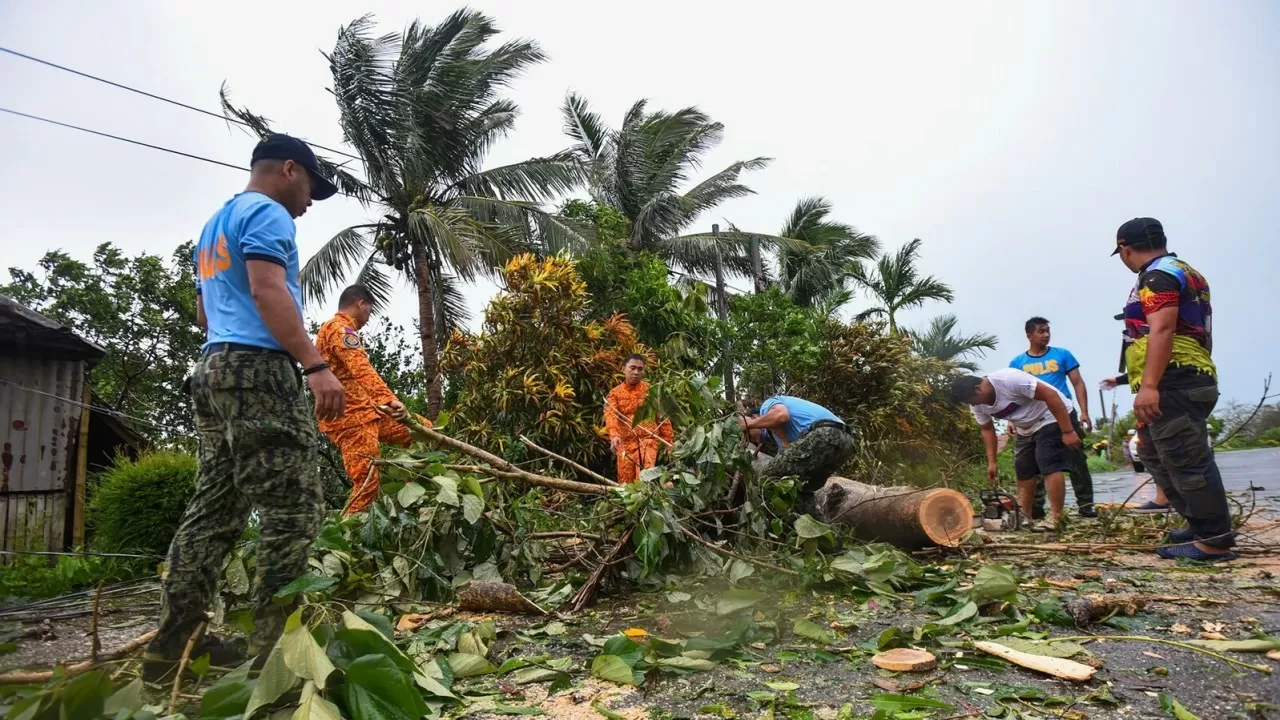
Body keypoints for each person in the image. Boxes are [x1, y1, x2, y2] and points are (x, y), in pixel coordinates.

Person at [144, 134, 344, 679]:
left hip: (212, 369)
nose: (308, 203)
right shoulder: (271, 214)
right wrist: (314, 364)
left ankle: (172, 650)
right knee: (293, 507)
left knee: (214, 508)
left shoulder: (214, 226)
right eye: (309, 188)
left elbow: (206, 315)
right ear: (288, 170)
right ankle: (277, 654)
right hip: (259, 369)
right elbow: (267, 289)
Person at [1107, 217, 1234, 560]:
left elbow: (1162, 329)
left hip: (1173, 378)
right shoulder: (1186, 272)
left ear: (1124, 248)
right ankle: (1198, 522)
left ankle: (1213, 539)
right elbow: (1203, 330)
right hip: (1187, 373)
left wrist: (1150, 386)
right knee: (1151, 450)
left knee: (1186, 457)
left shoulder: (1157, 275)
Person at [316, 284, 428, 515]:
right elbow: (361, 369)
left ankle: (417, 492)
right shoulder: (339, 329)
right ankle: (346, 539)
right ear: (361, 304)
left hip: (370, 413)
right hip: (352, 420)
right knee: (367, 482)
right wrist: (390, 400)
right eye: (369, 311)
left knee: (424, 431)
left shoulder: (339, 330)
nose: (368, 318)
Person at [951, 369, 1081, 530]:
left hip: (1052, 416)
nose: (974, 405)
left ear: (978, 388)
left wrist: (1068, 431)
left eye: (972, 400)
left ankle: (1056, 518)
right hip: (1025, 427)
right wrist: (992, 462)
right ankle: (1024, 516)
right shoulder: (978, 405)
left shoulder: (1010, 380)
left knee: (1049, 463)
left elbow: (1051, 396)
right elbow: (987, 429)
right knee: (1023, 468)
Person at [1009, 317, 1097, 518]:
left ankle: (1086, 504)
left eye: (1047, 330)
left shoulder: (1062, 355)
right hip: (1036, 418)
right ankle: (1037, 506)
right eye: (1041, 331)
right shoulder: (1018, 363)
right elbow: (1014, 393)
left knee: (1076, 459)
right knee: (1038, 462)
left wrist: (1084, 411)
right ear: (1029, 335)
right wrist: (1011, 420)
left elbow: (1078, 383)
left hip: (1064, 414)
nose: (1046, 334)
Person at [739, 395, 855, 514]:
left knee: (768, 479)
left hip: (826, 433)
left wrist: (749, 424)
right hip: (847, 444)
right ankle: (816, 528)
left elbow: (781, 415)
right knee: (802, 489)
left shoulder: (767, 405)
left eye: (748, 434)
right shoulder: (778, 433)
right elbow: (789, 457)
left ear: (754, 416)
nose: (752, 438)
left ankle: (788, 521)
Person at [604, 354, 673, 483]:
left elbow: (663, 417)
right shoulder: (614, 394)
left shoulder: (651, 391)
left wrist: (668, 442)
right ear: (623, 369)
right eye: (632, 368)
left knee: (645, 479)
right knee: (625, 483)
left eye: (640, 369)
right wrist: (614, 436)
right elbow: (610, 415)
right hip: (625, 444)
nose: (636, 372)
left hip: (648, 441)